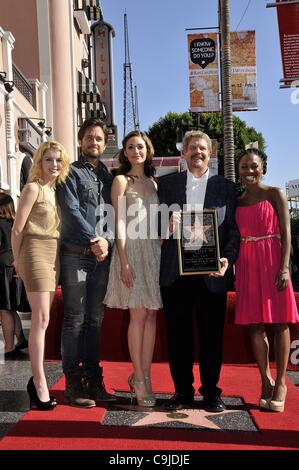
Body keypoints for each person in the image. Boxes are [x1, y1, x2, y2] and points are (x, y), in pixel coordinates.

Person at [158, 130, 240, 412]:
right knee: (178, 335)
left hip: (211, 274)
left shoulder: (226, 187)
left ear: (211, 152)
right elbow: (153, 225)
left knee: (211, 336)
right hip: (174, 273)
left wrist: (228, 259)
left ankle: (210, 392)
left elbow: (232, 230)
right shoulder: (165, 185)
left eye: (202, 148)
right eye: (192, 148)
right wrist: (165, 225)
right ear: (183, 153)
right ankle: (182, 391)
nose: (198, 152)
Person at [56, 117, 116, 408]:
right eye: (89, 137)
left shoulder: (109, 177)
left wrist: (108, 242)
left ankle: (93, 379)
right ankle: (72, 381)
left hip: (102, 259)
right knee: (75, 319)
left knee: (95, 320)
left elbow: (116, 216)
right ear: (81, 141)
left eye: (99, 139)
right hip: (76, 256)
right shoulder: (70, 174)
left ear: (105, 144)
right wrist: (95, 240)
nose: (94, 142)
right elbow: (70, 212)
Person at [234, 148, 299, 412]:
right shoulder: (236, 202)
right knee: (255, 324)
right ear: (238, 170)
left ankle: (281, 382)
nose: (249, 171)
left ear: (263, 168)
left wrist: (284, 268)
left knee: (280, 322)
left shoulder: (275, 195)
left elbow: (286, 234)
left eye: (254, 166)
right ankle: (265, 380)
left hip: (273, 261)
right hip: (247, 263)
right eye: (244, 167)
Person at [104, 131, 162, 407]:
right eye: (130, 147)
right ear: (124, 152)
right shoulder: (120, 181)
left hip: (154, 251)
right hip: (132, 251)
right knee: (137, 315)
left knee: (151, 315)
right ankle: (139, 380)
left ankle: (145, 376)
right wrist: (124, 259)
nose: (136, 151)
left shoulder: (153, 182)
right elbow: (119, 224)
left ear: (147, 150)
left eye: (140, 146)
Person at [11, 140, 70, 410]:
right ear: (39, 162)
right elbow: (17, 228)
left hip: (53, 253)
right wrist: (17, 260)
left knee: (44, 318)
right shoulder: (32, 188)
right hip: (34, 250)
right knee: (42, 318)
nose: (54, 164)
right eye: (48, 159)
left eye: (58, 160)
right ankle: (39, 382)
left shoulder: (57, 190)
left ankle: (37, 381)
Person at [0, 194, 27, 358]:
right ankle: (21, 338)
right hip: (15, 268)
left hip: (3, 269)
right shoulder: (15, 224)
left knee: (3, 309)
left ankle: (9, 346)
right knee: (10, 307)